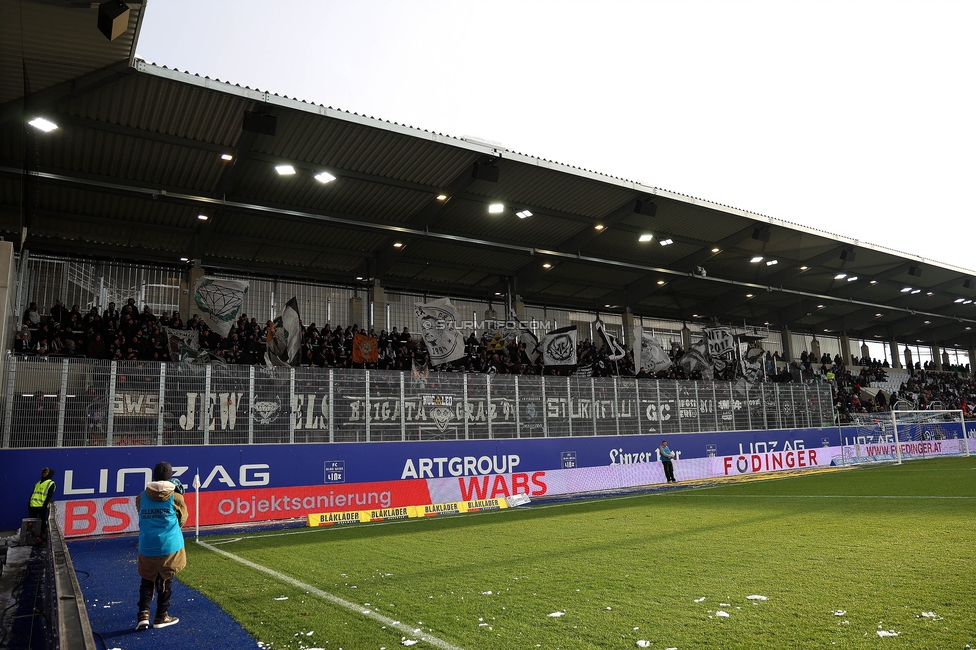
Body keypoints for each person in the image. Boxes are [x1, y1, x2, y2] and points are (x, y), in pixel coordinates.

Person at [135, 462, 187, 631]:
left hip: (147, 545)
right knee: (166, 579)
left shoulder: (142, 496)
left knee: (147, 580)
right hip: (169, 545)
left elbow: (140, 513)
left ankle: (143, 615)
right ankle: (161, 616)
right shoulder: (176, 497)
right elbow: (183, 519)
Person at [27, 467, 56, 543]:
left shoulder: (51, 483)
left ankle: (42, 537)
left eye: (45, 472)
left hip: (41, 506)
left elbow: (49, 496)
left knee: (42, 523)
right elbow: (33, 494)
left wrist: (44, 506)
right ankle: (32, 537)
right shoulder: (38, 483)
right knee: (31, 523)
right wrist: (29, 503)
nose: (44, 474)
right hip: (33, 505)